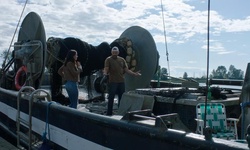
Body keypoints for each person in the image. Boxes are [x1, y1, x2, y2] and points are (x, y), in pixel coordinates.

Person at [104, 46, 141, 115]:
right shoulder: (108, 59)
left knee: (121, 98)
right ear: (111, 52)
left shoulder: (122, 60)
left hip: (121, 81)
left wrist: (134, 74)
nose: (114, 53)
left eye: (116, 52)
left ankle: (120, 113)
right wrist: (105, 72)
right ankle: (109, 113)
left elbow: (126, 70)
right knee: (111, 97)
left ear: (118, 52)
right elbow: (106, 68)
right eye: (113, 52)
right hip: (113, 81)